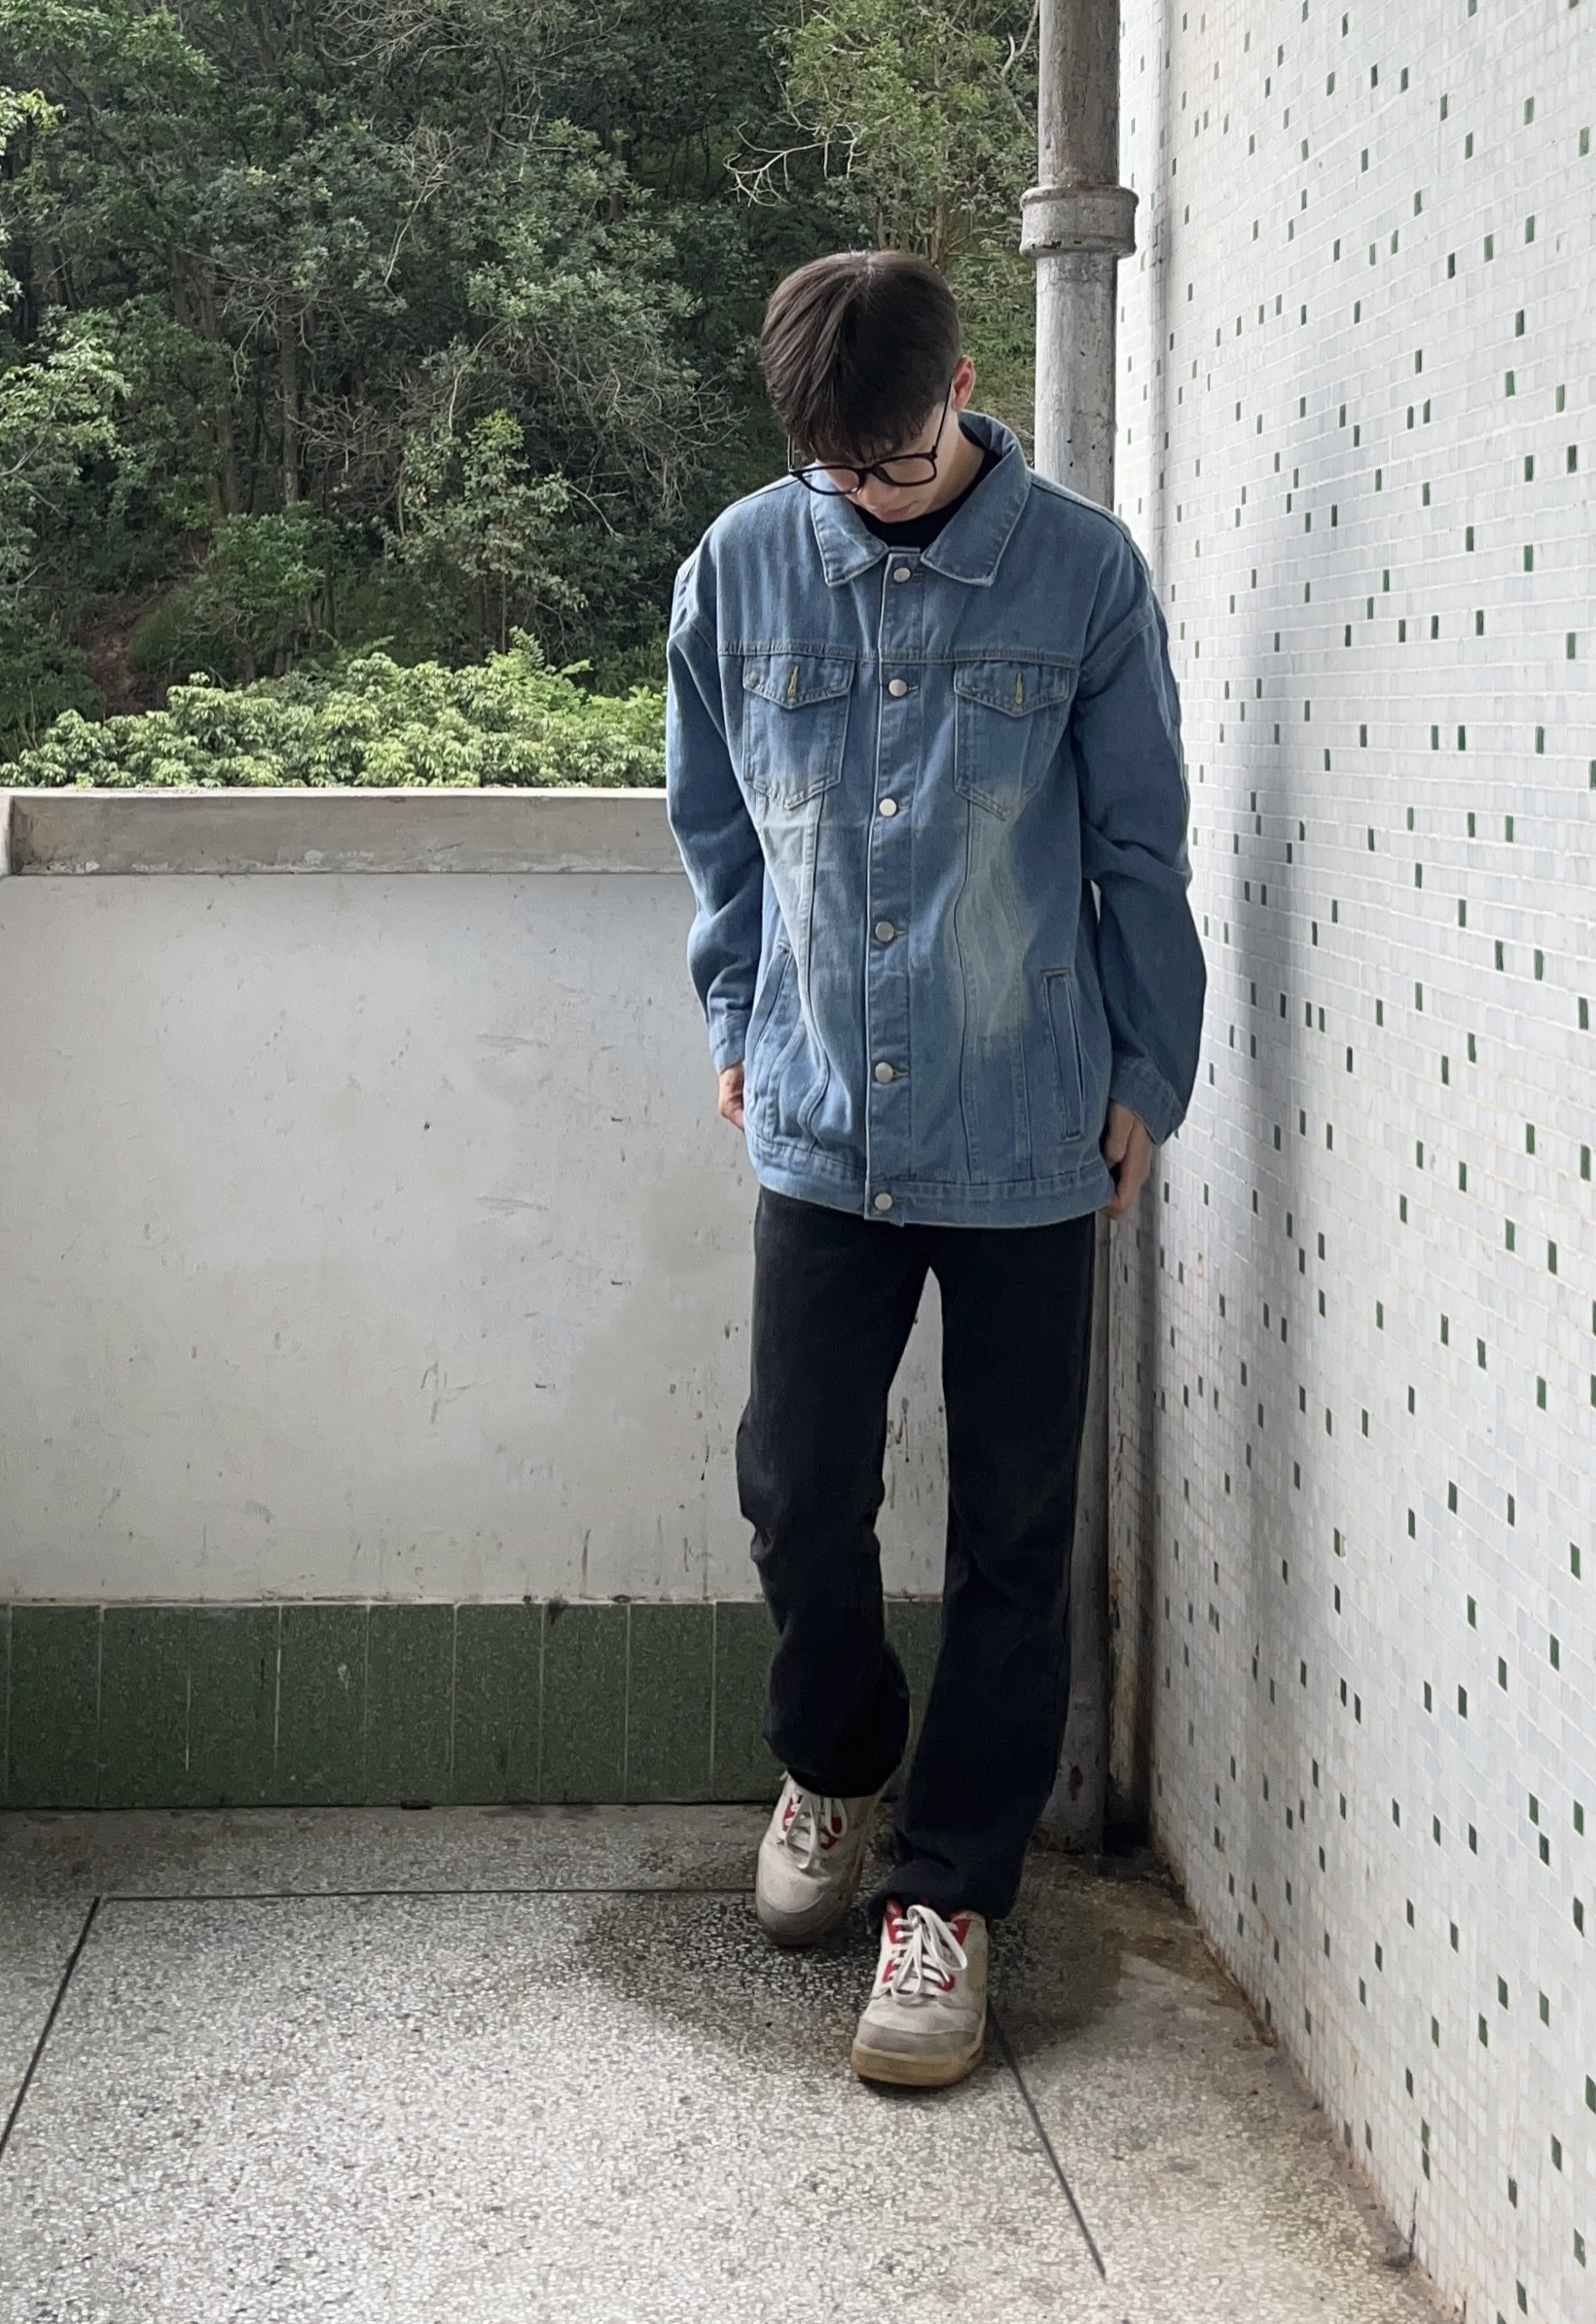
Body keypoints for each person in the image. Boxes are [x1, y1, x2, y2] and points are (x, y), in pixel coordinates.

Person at [663, 249, 1207, 2088]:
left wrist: (1149, 1069)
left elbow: (1141, 844)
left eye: (898, 459)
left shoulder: (1084, 573)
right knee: (796, 1484)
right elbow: (716, 825)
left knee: (1014, 1534)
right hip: (820, 1111)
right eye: (840, 469)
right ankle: (834, 1765)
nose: (874, 493)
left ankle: (951, 1895)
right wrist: (734, 1013)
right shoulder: (741, 565)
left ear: (965, 391)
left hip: (1029, 1124)